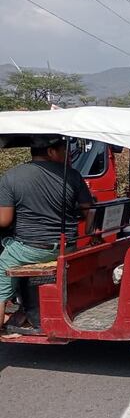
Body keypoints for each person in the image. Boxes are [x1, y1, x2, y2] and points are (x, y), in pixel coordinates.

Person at [0, 135, 93, 336]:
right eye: (64, 151)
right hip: (66, 247)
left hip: (30, 250)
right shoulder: (73, 175)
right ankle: (23, 309)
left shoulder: (12, 176)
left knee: (2, 275)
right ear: (51, 151)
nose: (68, 155)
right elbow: (89, 212)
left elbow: (4, 221)